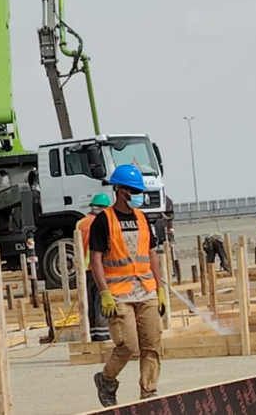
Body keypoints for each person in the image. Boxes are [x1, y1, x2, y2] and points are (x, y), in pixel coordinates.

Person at [89, 164, 167, 407]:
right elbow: (96, 259)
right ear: (122, 191)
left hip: (146, 290)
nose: (139, 196)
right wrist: (105, 293)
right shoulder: (104, 220)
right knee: (128, 345)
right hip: (119, 293)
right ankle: (107, 379)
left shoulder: (142, 218)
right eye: (135, 191)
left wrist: (160, 289)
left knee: (152, 344)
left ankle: (149, 391)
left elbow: (152, 254)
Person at [75, 193, 112, 342]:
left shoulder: (80, 223)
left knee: (88, 304)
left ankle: (90, 334)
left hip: (83, 270)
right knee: (101, 301)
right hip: (99, 268)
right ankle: (103, 335)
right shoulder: (104, 222)